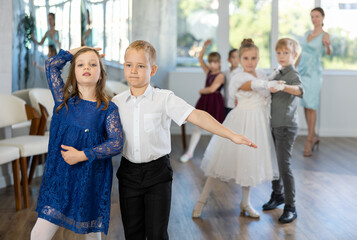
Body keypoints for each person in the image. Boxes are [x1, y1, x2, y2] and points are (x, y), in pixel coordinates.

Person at [112, 40, 257, 240]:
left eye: (140, 66)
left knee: (157, 234)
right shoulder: (116, 102)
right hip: (128, 174)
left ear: (152, 69)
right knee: (133, 233)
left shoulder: (164, 98)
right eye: (129, 65)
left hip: (157, 174)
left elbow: (197, 115)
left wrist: (231, 134)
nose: (133, 71)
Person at [30, 46, 124, 240]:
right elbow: (51, 65)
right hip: (60, 180)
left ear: (100, 74)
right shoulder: (62, 102)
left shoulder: (108, 109)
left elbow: (116, 143)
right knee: (38, 235)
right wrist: (80, 49)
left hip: (89, 180)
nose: (86, 67)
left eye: (92, 64)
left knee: (92, 236)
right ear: (73, 72)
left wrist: (82, 155)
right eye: (80, 64)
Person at [192, 38, 280, 219]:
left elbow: (263, 87)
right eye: (246, 58)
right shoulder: (238, 76)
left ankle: (245, 202)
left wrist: (274, 76)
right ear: (240, 59)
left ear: (258, 58)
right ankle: (202, 199)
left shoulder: (261, 74)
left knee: (249, 164)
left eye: (254, 58)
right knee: (221, 160)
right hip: (240, 121)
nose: (250, 62)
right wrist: (271, 84)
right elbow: (253, 85)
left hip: (257, 122)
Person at [262, 38, 304, 224]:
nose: (281, 56)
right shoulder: (278, 71)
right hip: (275, 124)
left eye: (286, 53)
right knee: (275, 163)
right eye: (279, 53)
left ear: (294, 55)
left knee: (284, 166)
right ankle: (277, 195)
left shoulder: (292, 73)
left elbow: (300, 90)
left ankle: (290, 207)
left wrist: (283, 86)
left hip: (286, 126)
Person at [180, 39, 226, 163]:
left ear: (219, 63)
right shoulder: (209, 72)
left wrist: (201, 91)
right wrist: (204, 46)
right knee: (198, 127)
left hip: (214, 102)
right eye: (210, 62)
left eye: (215, 62)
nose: (212, 65)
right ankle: (189, 152)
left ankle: (215, 156)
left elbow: (212, 89)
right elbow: (200, 59)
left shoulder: (221, 75)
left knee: (215, 130)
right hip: (205, 102)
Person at [295, 7, 332, 157]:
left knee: (312, 107)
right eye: (312, 16)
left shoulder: (325, 35)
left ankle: (309, 140)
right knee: (305, 105)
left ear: (323, 17)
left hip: (314, 74)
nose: (314, 19)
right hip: (303, 73)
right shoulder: (307, 34)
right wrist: (292, 68)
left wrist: (327, 45)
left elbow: (328, 52)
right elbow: (301, 53)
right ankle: (314, 135)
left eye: (317, 16)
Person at [223, 48, 241, 115]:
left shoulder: (241, 73)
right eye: (233, 57)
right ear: (229, 59)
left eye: (238, 57)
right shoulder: (225, 73)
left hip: (236, 105)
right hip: (226, 104)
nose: (236, 60)